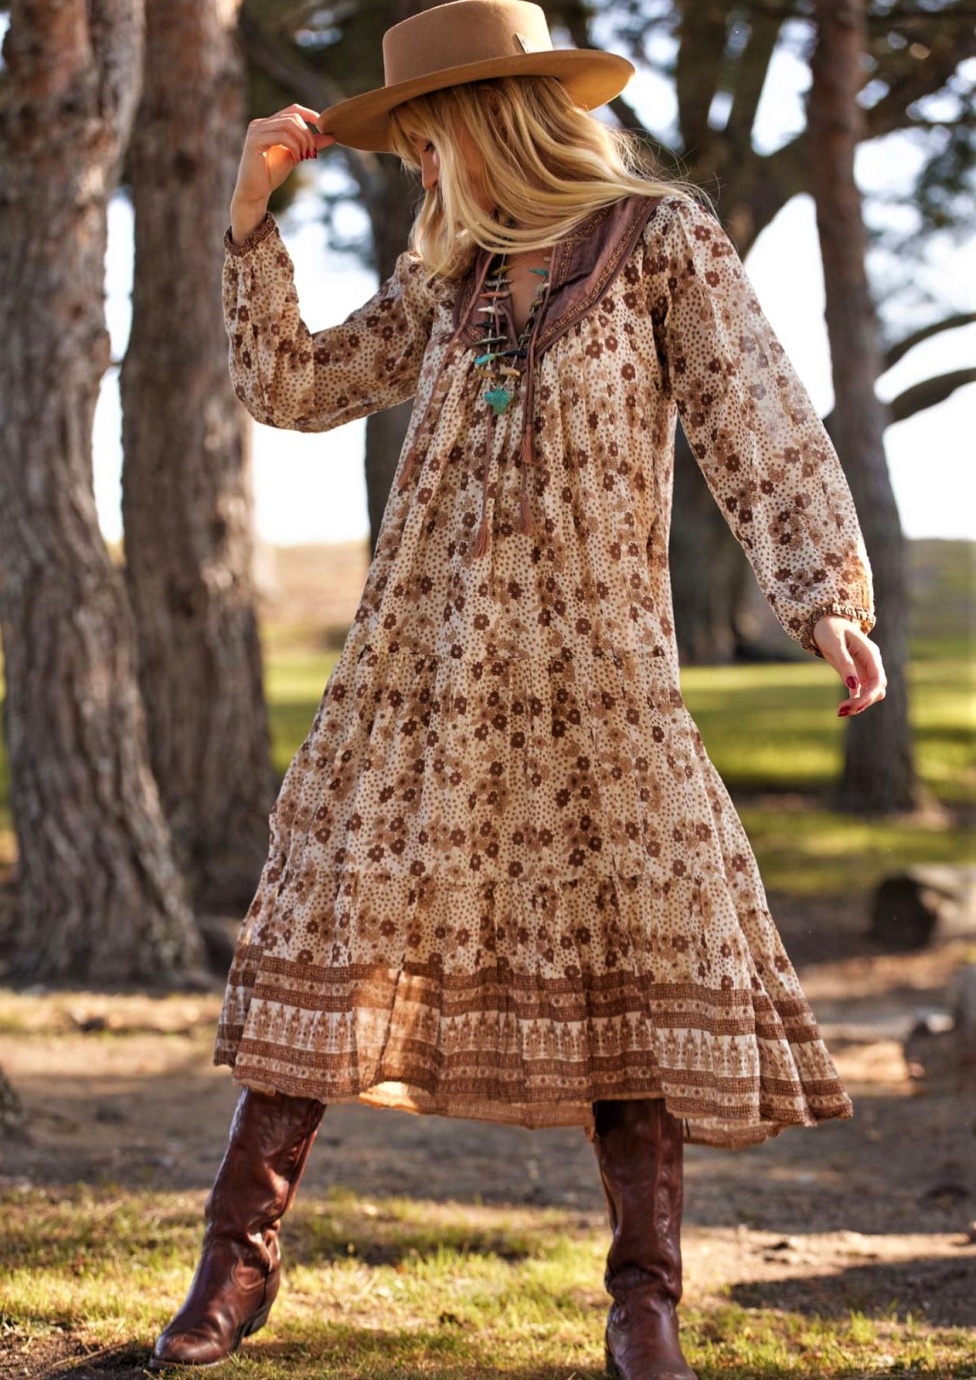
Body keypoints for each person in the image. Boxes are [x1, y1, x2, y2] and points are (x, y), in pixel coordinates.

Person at [150, 2, 886, 1375]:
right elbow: (296, 386)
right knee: (329, 920)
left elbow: (761, 422)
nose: (419, 170)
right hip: (418, 672)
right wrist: (250, 219)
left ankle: (643, 1303)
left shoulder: (663, 241)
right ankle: (235, 1264)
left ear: (493, 120)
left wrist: (827, 599)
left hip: (600, 673)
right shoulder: (451, 277)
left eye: (427, 141)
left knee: (634, 957)